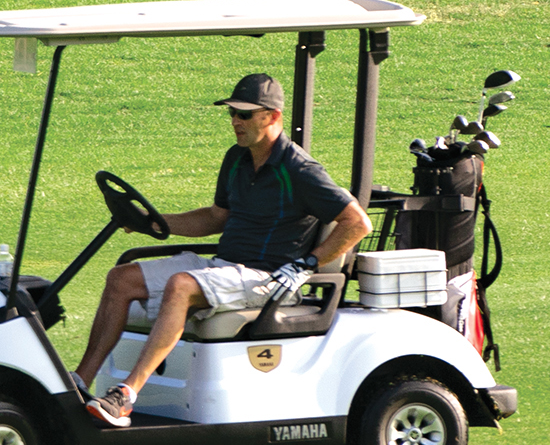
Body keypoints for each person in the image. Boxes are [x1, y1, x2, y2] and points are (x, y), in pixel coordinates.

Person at [72, 72, 368, 427]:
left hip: (269, 278)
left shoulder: (299, 170)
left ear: (272, 117)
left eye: (244, 114)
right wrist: (149, 222)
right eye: (232, 114)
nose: (235, 122)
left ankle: (125, 396)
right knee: (121, 278)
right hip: (226, 267)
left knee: (181, 285)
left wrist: (308, 262)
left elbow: (357, 222)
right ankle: (77, 384)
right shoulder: (237, 158)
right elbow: (216, 217)